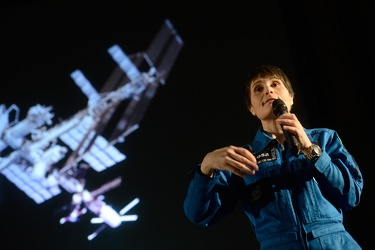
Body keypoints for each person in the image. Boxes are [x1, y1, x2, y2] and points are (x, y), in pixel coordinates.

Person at [183, 64, 363, 249]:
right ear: (251, 108)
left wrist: (311, 150)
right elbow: (200, 215)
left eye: (275, 84)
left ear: (291, 97)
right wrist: (205, 170)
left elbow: (352, 196)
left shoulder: (324, 138)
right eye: (258, 88)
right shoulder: (243, 157)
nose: (268, 90)